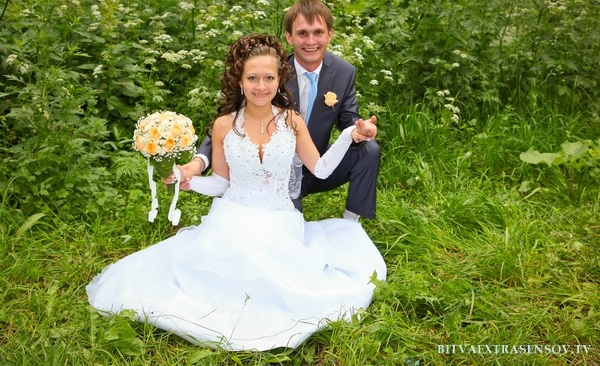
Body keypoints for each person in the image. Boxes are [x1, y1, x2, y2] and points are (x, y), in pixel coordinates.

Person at [87, 34, 386, 351]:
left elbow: (321, 169)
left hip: (280, 216)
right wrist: (188, 180)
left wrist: (349, 136)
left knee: (269, 260)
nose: (261, 86)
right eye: (252, 78)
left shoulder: (292, 121)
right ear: (239, 81)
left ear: (279, 80)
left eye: (269, 78)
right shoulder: (224, 125)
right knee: (236, 253)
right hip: (233, 212)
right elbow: (220, 184)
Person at [177, 0, 380, 222]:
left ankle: (351, 224)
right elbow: (229, 126)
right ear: (289, 36)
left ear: (329, 34)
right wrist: (196, 165)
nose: (311, 41)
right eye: (302, 33)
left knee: (369, 149)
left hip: (317, 162)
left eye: (318, 32)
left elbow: (350, 120)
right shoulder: (267, 68)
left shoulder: (343, 72)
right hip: (277, 172)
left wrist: (358, 130)